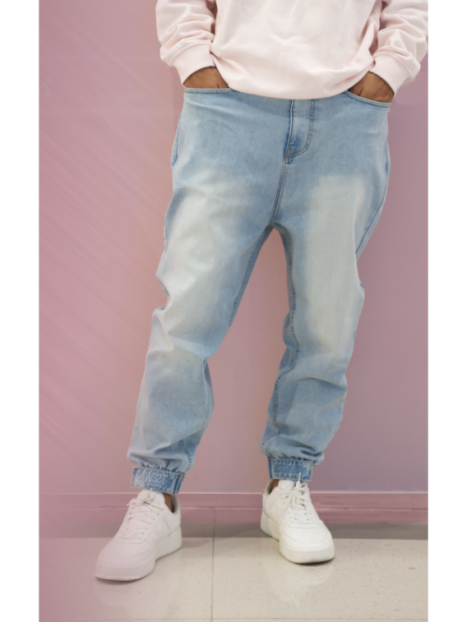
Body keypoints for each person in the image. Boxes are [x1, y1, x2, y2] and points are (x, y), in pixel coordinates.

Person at [95, 0, 429, 580]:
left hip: (346, 118)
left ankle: (289, 485)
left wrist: (387, 73)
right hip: (228, 114)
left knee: (327, 321)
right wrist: (196, 64)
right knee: (187, 314)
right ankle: (157, 495)